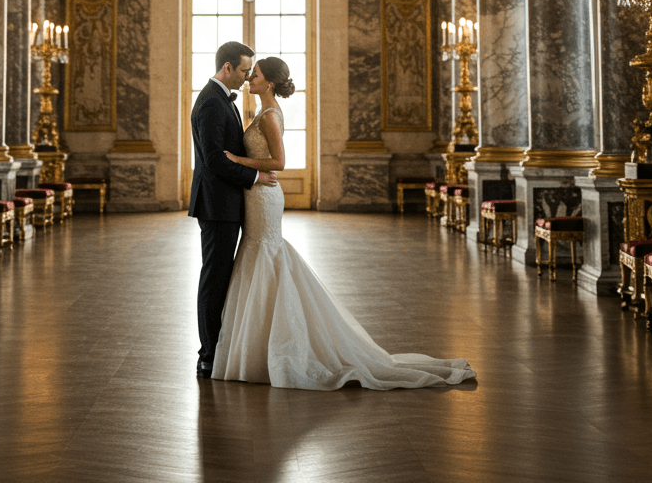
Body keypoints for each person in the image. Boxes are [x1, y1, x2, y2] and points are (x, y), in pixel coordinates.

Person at [212, 56, 476, 390]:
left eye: (257, 75)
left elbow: (279, 161)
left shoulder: (269, 116)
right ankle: (258, 346)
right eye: (251, 74)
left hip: (265, 197)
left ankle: (269, 349)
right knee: (260, 255)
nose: (251, 78)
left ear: (271, 82)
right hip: (256, 194)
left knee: (265, 254)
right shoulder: (263, 111)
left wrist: (238, 160)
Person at [189, 40, 279, 380]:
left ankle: (221, 348)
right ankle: (208, 355)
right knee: (214, 279)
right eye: (243, 70)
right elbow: (214, 161)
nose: (246, 77)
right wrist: (255, 176)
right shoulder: (212, 102)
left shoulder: (220, 99)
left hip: (226, 203)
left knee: (221, 276)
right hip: (216, 205)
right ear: (227, 68)